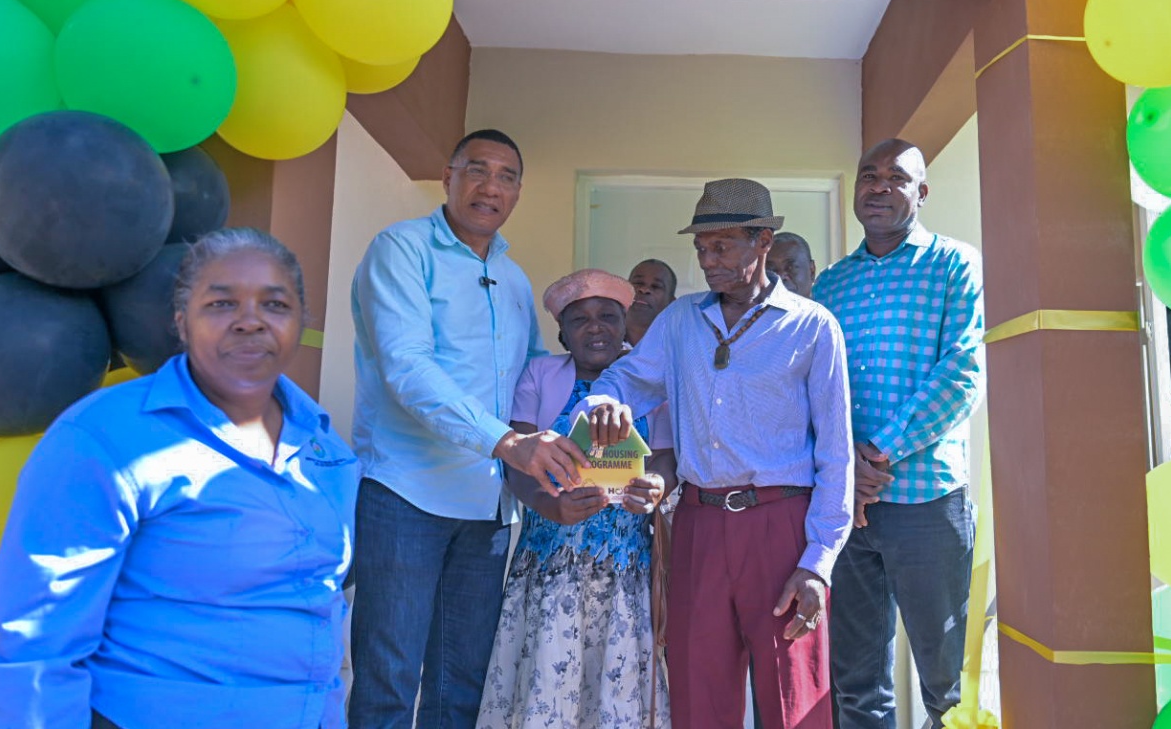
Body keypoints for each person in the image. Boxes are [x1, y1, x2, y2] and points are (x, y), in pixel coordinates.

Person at [0, 228, 359, 729]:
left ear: (300, 322)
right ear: (181, 322)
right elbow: (34, 643)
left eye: (275, 305)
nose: (250, 322)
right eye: (221, 304)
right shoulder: (105, 437)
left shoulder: (327, 450)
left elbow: (320, 611)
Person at [577, 178, 854, 729]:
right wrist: (607, 400)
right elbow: (627, 378)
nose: (708, 261)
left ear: (762, 243)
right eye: (702, 248)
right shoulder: (680, 321)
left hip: (783, 528)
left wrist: (818, 563)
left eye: (722, 246)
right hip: (699, 525)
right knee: (698, 693)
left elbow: (837, 456)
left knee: (793, 698)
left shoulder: (813, 327)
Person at [349, 129, 588, 729]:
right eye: (477, 169)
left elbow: (534, 383)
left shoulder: (512, 279)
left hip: (488, 508)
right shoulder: (401, 250)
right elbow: (407, 367)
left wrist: (612, 392)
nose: (491, 186)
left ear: (518, 192)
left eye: (507, 176)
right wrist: (509, 442)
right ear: (448, 177)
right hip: (406, 494)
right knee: (389, 677)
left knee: (463, 681)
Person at [813, 139, 984, 729]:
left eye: (896, 177)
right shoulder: (830, 286)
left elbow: (963, 371)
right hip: (847, 512)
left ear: (921, 192)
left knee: (948, 684)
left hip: (927, 503)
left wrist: (877, 452)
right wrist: (843, 470)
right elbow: (815, 391)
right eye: (869, 175)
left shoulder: (955, 264)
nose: (879, 186)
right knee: (856, 682)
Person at [478, 268, 676, 729]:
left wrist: (656, 487)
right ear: (562, 334)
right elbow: (516, 458)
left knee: (615, 691)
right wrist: (548, 505)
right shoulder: (540, 374)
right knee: (545, 685)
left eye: (608, 316)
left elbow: (665, 460)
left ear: (626, 325)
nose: (595, 327)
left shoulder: (650, 384)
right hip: (550, 563)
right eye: (579, 319)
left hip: (625, 566)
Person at [626, 258, 678, 346]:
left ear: (671, 302)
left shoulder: (677, 346)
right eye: (638, 283)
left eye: (656, 286)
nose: (644, 289)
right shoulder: (603, 335)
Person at [767, 232, 817, 298]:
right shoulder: (753, 307)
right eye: (771, 270)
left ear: (811, 271)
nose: (780, 277)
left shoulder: (828, 306)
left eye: (791, 267)